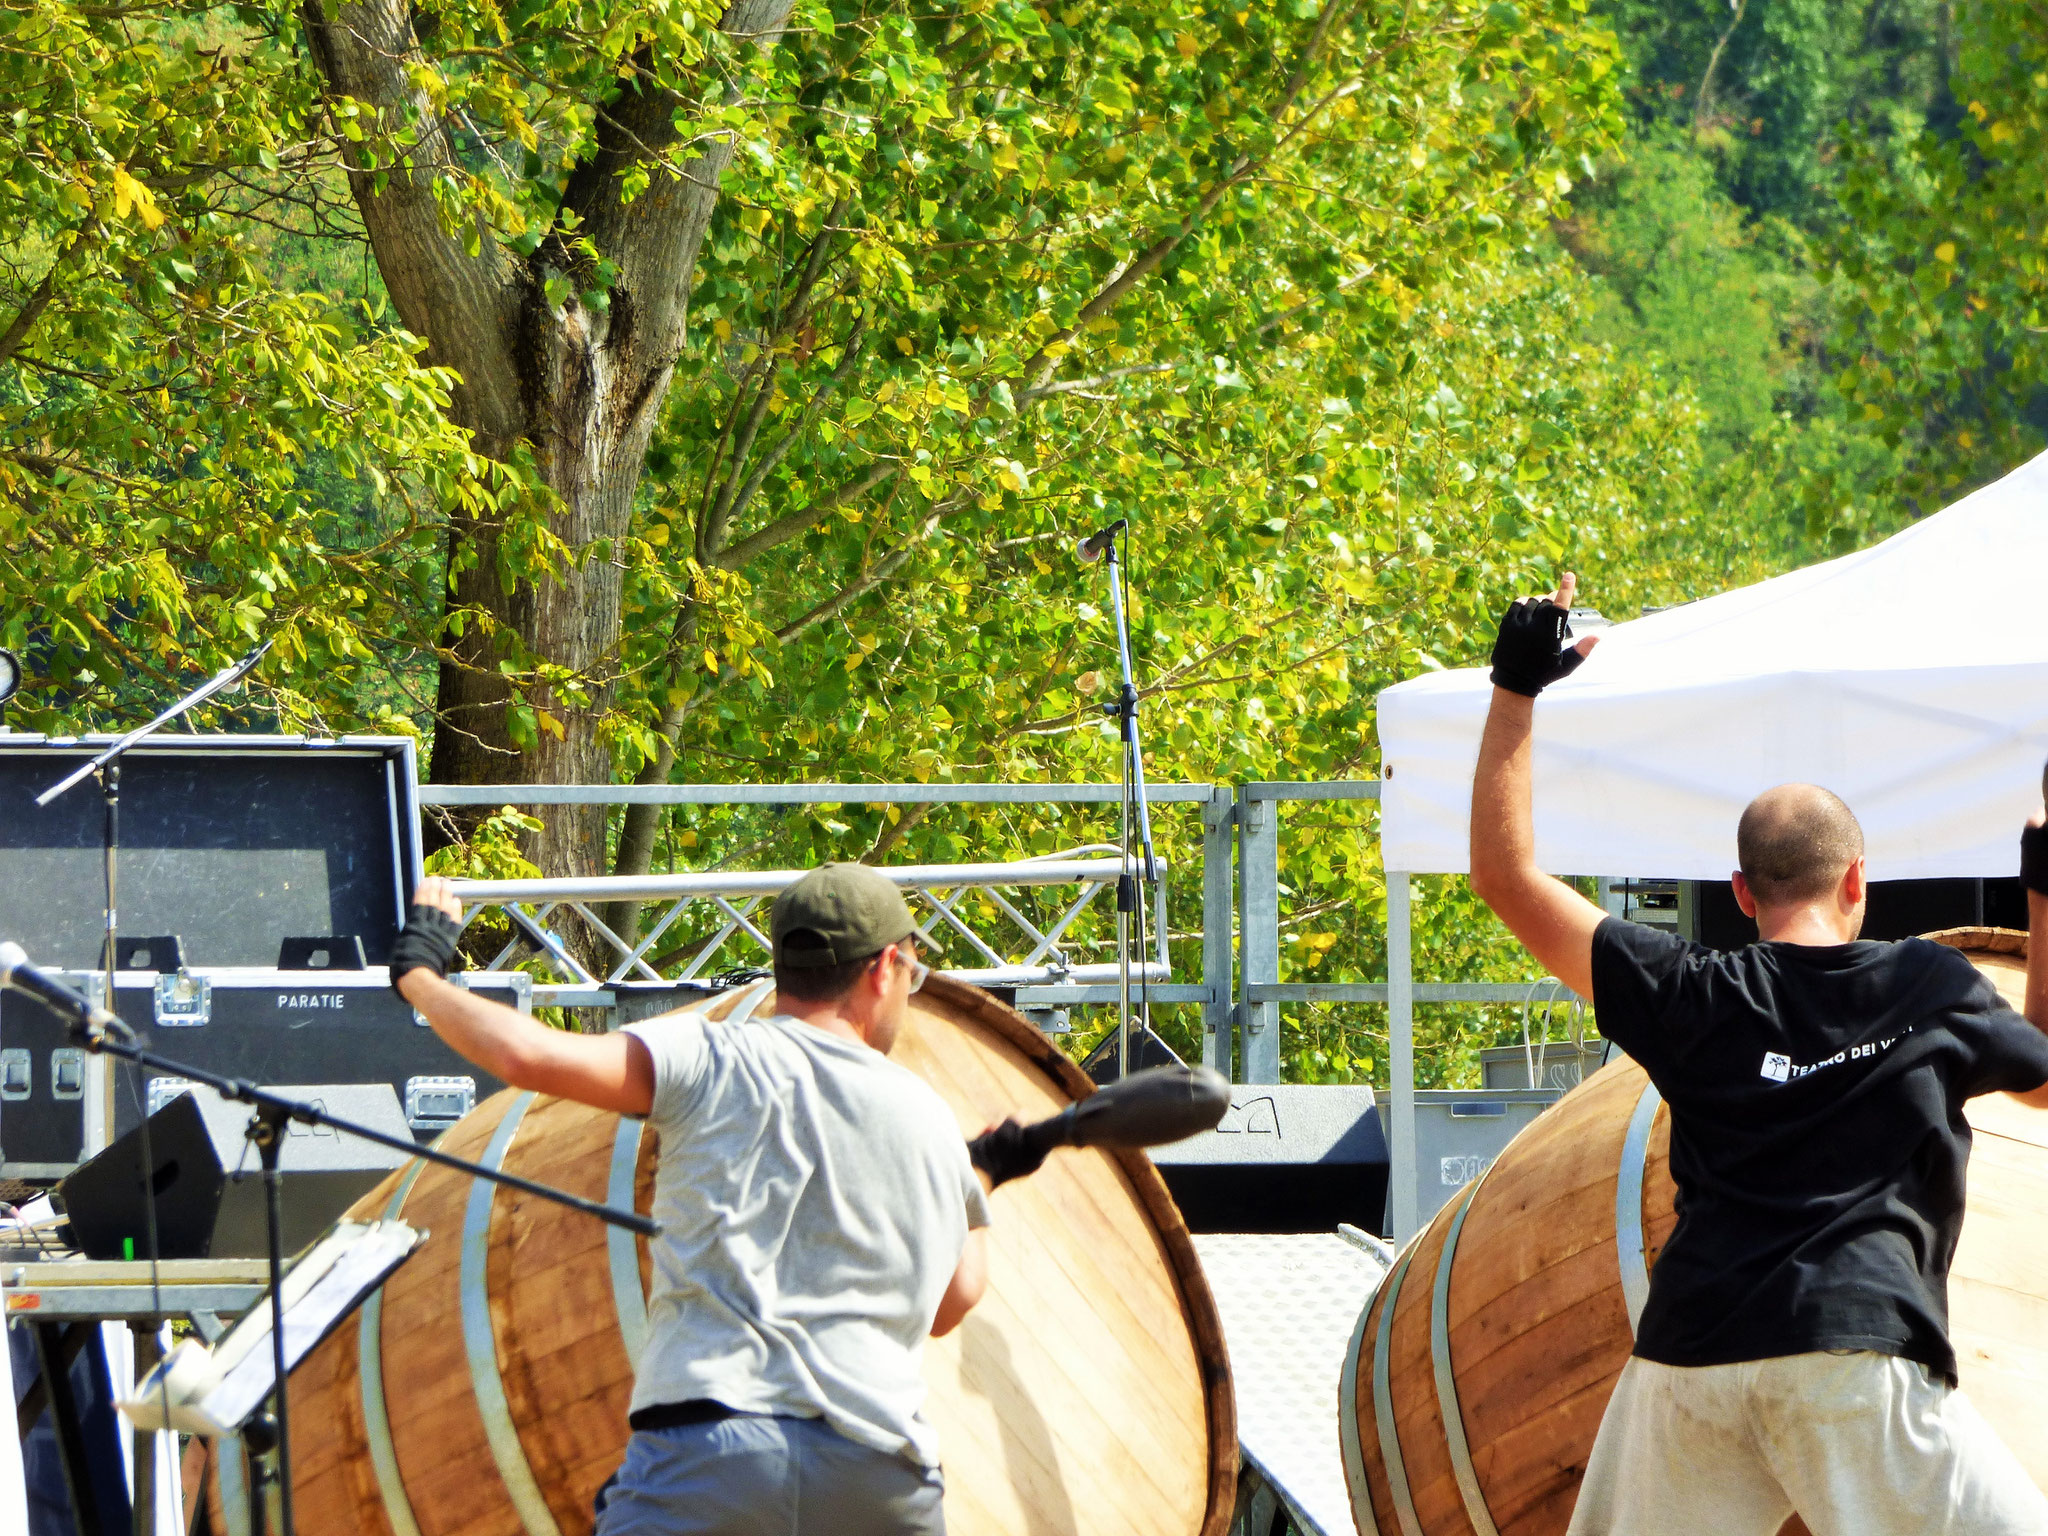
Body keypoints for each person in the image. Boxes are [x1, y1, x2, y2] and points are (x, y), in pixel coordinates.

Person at [1468, 572, 2048, 1536]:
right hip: (1855, 1354)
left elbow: (1505, 874)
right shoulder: (1931, 988)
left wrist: (1515, 684)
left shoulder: (1688, 990)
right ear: (1858, 879)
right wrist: (2042, 888)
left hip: (1690, 1358)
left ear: (1740, 892)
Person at [387, 862, 991, 1536]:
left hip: (715, 1454)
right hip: (880, 1476)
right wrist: (981, 1183)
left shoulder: (712, 1057)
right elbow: (953, 1300)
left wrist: (421, 976)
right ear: (885, 967)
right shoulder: (932, 1118)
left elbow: (530, 1057)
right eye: (914, 972)